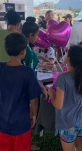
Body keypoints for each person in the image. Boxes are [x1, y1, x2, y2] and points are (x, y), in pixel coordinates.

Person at [48, 45, 82, 151]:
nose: (65, 55)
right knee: (79, 145)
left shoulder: (62, 78)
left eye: (67, 53)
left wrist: (51, 93)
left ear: (70, 58)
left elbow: (58, 105)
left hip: (68, 123)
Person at [22, 21, 48, 151]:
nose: (37, 39)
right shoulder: (28, 53)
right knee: (28, 118)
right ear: (31, 35)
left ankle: (24, 142)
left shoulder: (22, 49)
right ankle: (26, 144)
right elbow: (31, 75)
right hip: (27, 92)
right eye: (37, 36)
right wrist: (42, 87)